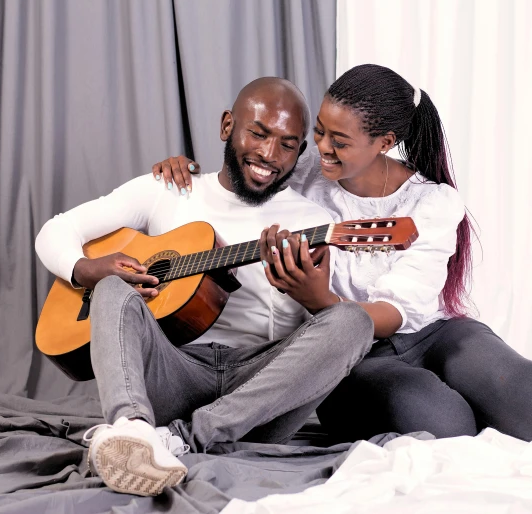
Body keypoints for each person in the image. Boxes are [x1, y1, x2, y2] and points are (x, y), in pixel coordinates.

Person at [154, 64, 532, 446]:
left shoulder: (432, 202)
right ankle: (489, 417)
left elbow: (401, 309)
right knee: (444, 424)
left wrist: (323, 298)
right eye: (318, 131)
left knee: (525, 390)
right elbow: (243, 177)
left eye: (340, 139)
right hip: (344, 355)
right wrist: (181, 170)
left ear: (384, 141)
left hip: (431, 332)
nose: (322, 149)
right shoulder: (306, 178)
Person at [35, 77, 375, 497]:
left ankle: (179, 440)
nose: (269, 154)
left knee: (353, 321)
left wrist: (311, 297)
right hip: (171, 372)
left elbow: (324, 344)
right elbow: (55, 231)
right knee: (110, 287)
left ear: (299, 152)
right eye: (258, 132)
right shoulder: (168, 188)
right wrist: (84, 268)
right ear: (227, 125)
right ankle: (132, 428)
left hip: (256, 398)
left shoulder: (312, 221)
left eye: (287, 144)